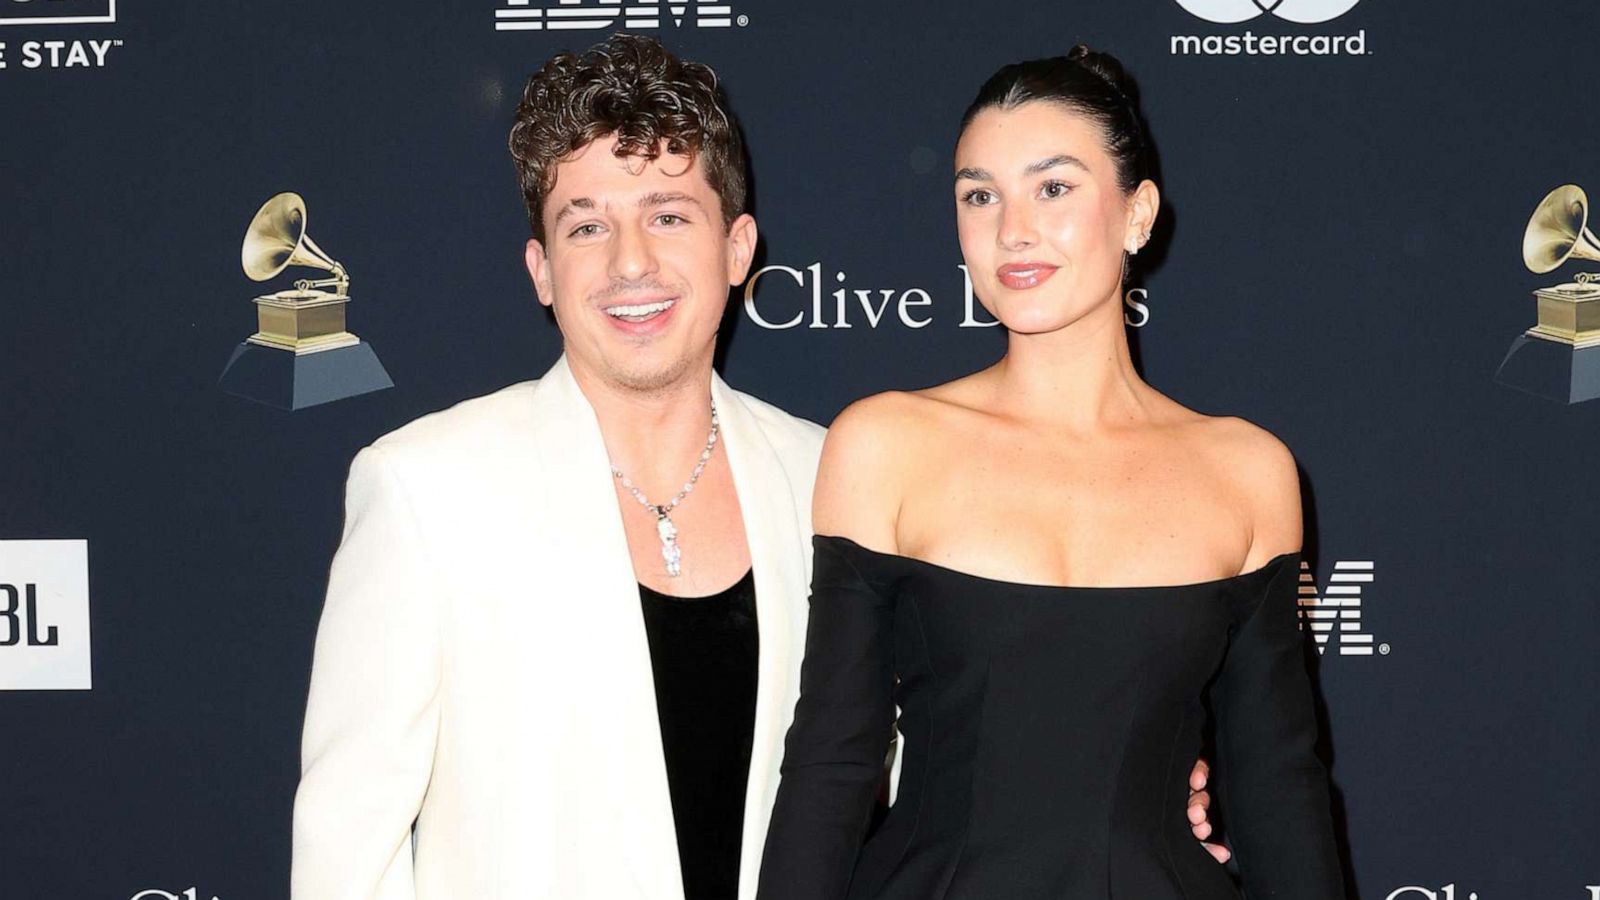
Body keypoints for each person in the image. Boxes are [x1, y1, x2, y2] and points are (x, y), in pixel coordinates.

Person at [290, 35, 1224, 900]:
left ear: (738, 249)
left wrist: (1128, 784)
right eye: (585, 227)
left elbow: (940, 758)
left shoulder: (832, 475)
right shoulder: (427, 489)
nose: (631, 264)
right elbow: (346, 847)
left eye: (668, 215)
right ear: (540, 268)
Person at [756, 46, 1345, 900]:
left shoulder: (1248, 471)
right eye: (978, 194)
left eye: (1054, 187)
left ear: (1138, 213)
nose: (1012, 229)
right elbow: (830, 769)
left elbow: (1278, 789)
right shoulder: (884, 445)